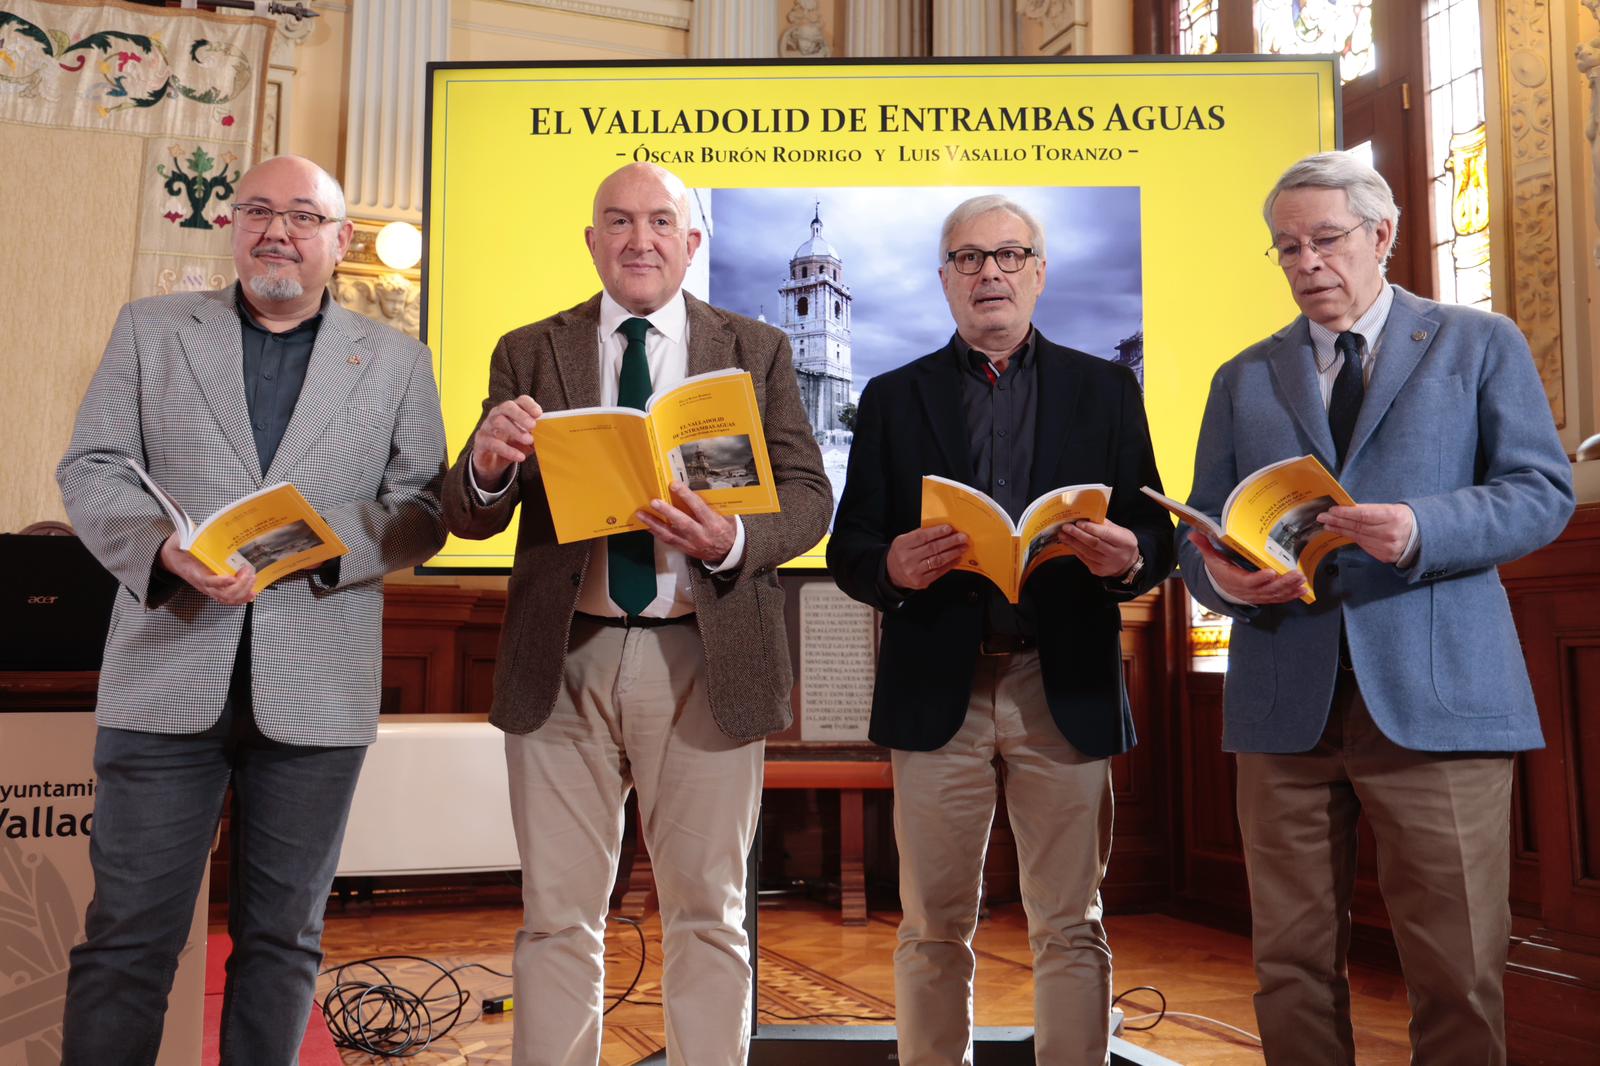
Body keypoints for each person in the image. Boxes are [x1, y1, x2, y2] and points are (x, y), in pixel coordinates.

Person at [1177, 152, 1574, 1065]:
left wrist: (1420, 527)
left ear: (1382, 234)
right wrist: (1222, 581)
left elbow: (1541, 493)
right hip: (1285, 704)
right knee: (1288, 966)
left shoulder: (1478, 342)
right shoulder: (1243, 377)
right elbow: (1199, 533)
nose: (1307, 262)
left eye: (1325, 240)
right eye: (1287, 248)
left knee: (1457, 971)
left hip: (1440, 700)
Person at [55, 155, 448, 1065]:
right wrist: (162, 549)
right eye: (258, 211)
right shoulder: (151, 330)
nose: (278, 231)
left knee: (283, 940)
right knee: (127, 940)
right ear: (233, 227)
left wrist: (317, 545)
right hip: (164, 675)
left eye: (304, 216)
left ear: (340, 241)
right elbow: (93, 467)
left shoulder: (397, 359)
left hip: (317, 689)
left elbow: (424, 508)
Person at [441, 161, 830, 1066]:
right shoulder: (528, 348)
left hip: (707, 652)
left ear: (691, 243)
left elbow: (810, 499)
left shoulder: (758, 348)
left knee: (709, 913)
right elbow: (468, 514)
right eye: (618, 221)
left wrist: (732, 539)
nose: (639, 239)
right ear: (592, 242)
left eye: (660, 222)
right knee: (557, 915)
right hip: (563, 658)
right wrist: (488, 467)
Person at [828, 193, 1175, 1065]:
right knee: (932, 924)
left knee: (1071, 921)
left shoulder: (1106, 390)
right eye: (970, 258)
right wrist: (891, 566)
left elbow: (1155, 535)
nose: (991, 272)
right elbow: (849, 548)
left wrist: (1129, 555)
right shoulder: (893, 397)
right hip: (937, 686)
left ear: (1039, 273)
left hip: (1063, 681)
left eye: (1010, 255)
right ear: (946, 279)